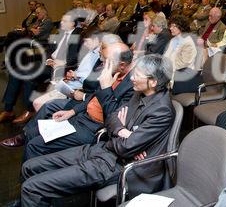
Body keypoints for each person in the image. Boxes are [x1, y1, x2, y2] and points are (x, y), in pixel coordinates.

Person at [19, 54, 175, 207]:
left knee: (32, 188)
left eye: (138, 75)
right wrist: (123, 131)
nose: (132, 77)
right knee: (30, 166)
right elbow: (111, 118)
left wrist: (125, 137)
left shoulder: (162, 110)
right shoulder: (139, 93)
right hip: (103, 150)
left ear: (153, 82)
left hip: (117, 165)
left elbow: (126, 148)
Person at [0, 42, 135, 161]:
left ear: (122, 65)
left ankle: (32, 186)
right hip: (82, 116)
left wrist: (106, 88)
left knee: (34, 146)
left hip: (93, 128)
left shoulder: (132, 85)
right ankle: (36, 171)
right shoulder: (112, 72)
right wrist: (71, 111)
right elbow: (93, 98)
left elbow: (113, 117)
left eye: (106, 60)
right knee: (32, 133)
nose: (103, 64)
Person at [163, 15, 198, 94]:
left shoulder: (188, 42)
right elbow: (166, 57)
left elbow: (183, 64)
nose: (170, 28)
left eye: (174, 26)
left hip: (182, 76)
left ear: (181, 27)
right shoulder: (173, 40)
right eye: (170, 26)